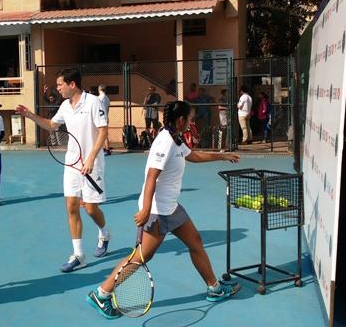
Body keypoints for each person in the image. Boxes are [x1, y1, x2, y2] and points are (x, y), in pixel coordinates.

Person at [86, 101, 241, 319]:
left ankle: (214, 288)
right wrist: (146, 210)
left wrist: (222, 156)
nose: (191, 122)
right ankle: (101, 294)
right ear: (180, 120)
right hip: (157, 211)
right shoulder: (165, 141)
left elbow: (193, 156)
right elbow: (151, 176)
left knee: (195, 241)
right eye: (190, 119)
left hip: (171, 208)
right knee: (140, 257)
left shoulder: (176, 138)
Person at [16, 68, 111, 272]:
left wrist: (91, 158)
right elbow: (52, 125)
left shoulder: (94, 102)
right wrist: (30, 115)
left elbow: (103, 131)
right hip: (72, 164)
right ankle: (79, 255)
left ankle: (104, 233)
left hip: (92, 164)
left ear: (72, 84)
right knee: (71, 207)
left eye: (60, 84)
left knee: (91, 209)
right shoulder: (65, 106)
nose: (57, 88)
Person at [97, 84, 112, 156]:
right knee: (102, 134)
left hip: (100, 118)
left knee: (103, 134)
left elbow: (98, 109)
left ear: (99, 89)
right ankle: (105, 148)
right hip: (105, 117)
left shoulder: (99, 98)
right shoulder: (107, 98)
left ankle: (107, 149)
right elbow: (107, 109)